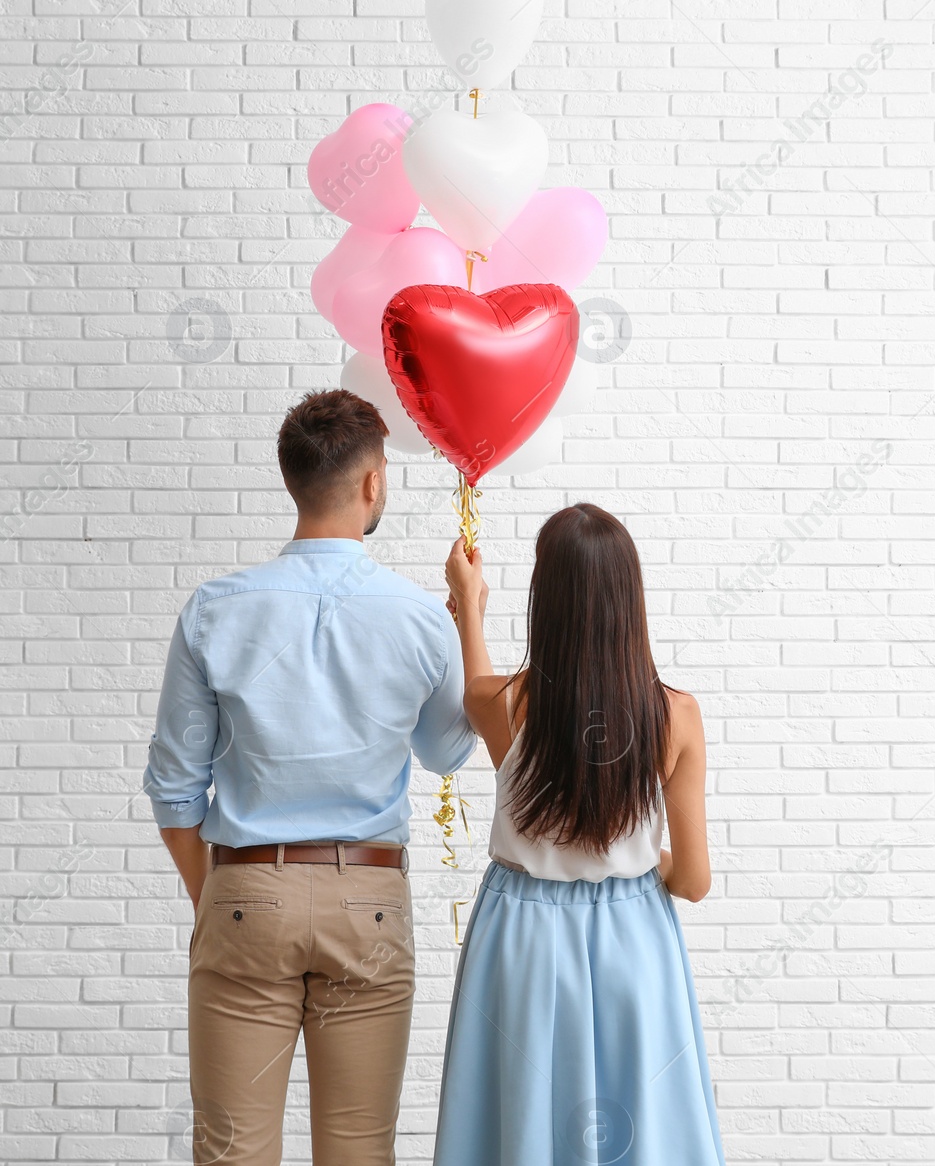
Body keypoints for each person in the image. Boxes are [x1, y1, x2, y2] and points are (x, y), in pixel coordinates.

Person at [143, 389, 478, 1166]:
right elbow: (448, 752)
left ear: (293, 480)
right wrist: (467, 612)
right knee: (360, 1152)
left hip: (243, 894)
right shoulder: (420, 617)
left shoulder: (214, 610)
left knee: (232, 1151)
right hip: (370, 900)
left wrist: (221, 895)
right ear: (371, 485)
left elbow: (173, 790)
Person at [435, 503, 725, 1165]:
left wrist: (469, 604)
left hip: (523, 934)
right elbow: (695, 882)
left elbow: (477, 688)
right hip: (634, 935)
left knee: (521, 1118)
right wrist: (640, 856)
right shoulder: (676, 716)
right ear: (631, 595)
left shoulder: (505, 704)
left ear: (547, 600)